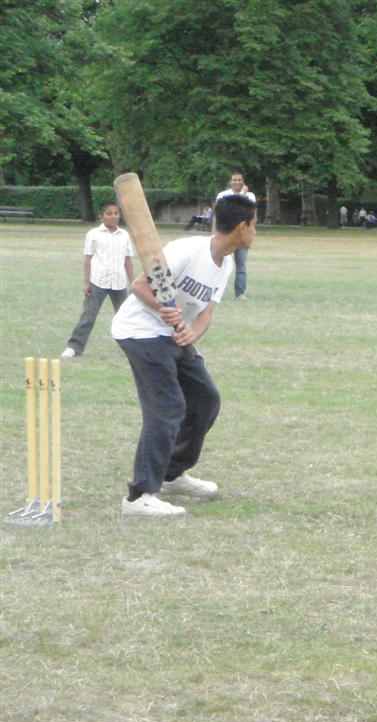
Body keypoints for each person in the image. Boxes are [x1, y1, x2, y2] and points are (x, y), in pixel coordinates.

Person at [112, 193, 257, 517]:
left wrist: (193, 332)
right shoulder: (186, 251)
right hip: (140, 332)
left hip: (174, 338)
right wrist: (164, 308)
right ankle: (139, 496)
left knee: (205, 399)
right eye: (255, 226)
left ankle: (172, 474)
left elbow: (205, 313)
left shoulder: (227, 262)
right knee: (168, 408)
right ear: (242, 226)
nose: (255, 233)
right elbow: (139, 286)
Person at [61, 202, 136, 359]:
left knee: (126, 317)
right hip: (98, 281)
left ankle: (133, 349)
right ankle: (74, 347)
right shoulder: (93, 234)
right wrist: (86, 282)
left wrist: (133, 283)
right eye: (108, 214)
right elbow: (88, 259)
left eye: (115, 213)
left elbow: (128, 260)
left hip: (119, 282)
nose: (113, 216)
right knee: (88, 315)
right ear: (101, 217)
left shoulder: (124, 235)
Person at [216, 171, 256, 300]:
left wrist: (244, 194)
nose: (237, 182)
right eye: (234, 180)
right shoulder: (223, 195)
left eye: (239, 180)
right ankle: (216, 292)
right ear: (230, 182)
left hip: (242, 235)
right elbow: (220, 215)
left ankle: (240, 293)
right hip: (227, 234)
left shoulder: (250, 196)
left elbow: (250, 212)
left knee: (241, 265)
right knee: (221, 264)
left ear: (243, 181)